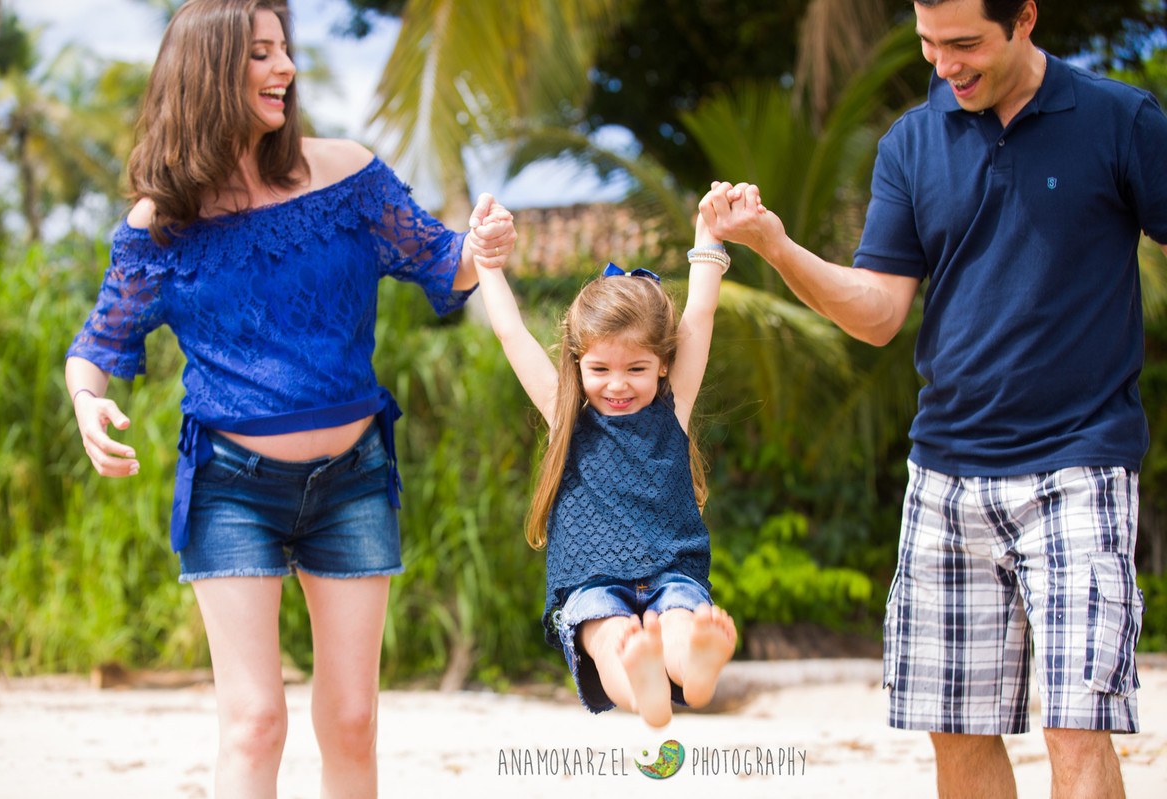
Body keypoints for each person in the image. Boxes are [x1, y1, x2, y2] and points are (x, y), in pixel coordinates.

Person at [702, 1, 1167, 797]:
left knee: (1077, 728)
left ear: (1024, 18)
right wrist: (775, 247)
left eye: (964, 45)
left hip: (1081, 465)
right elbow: (880, 313)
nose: (944, 66)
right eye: (927, 44)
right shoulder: (911, 143)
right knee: (957, 736)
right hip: (946, 478)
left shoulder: (1119, 118)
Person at [63, 1, 516, 796]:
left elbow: (447, 262)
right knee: (254, 721)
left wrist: (483, 246)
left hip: (353, 480)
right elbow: (99, 343)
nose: (286, 70)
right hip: (232, 488)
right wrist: (87, 399)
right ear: (209, 70)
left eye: (285, 51)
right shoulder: (162, 222)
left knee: (352, 720)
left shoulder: (346, 174)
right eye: (261, 55)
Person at [470, 188, 738, 728]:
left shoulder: (672, 409)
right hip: (591, 582)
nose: (618, 385)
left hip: (671, 569)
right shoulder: (565, 414)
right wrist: (488, 262)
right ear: (577, 362)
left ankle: (693, 670)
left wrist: (709, 235)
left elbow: (702, 313)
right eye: (600, 370)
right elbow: (510, 331)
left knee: (677, 624)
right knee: (613, 637)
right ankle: (649, 691)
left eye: (636, 369)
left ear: (663, 364)